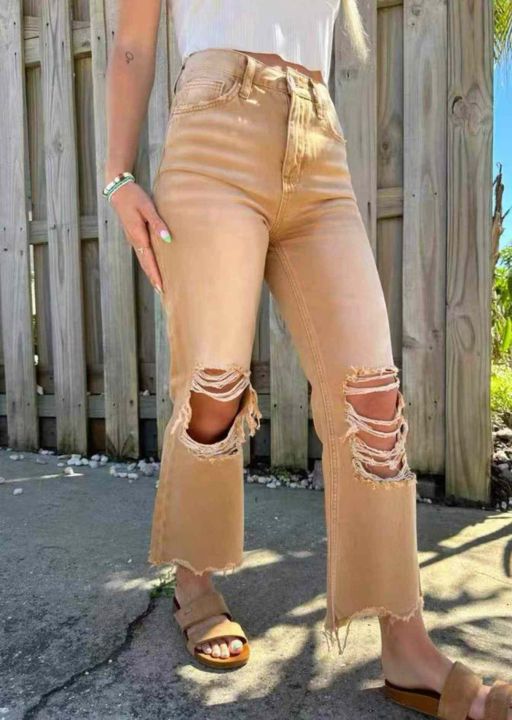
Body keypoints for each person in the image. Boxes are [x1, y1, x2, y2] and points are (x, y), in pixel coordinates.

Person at [103, 1, 511, 717]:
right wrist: (117, 177)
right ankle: (194, 579)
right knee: (214, 387)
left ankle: (407, 644)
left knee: (372, 395)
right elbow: (133, 42)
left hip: (318, 144)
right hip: (214, 129)